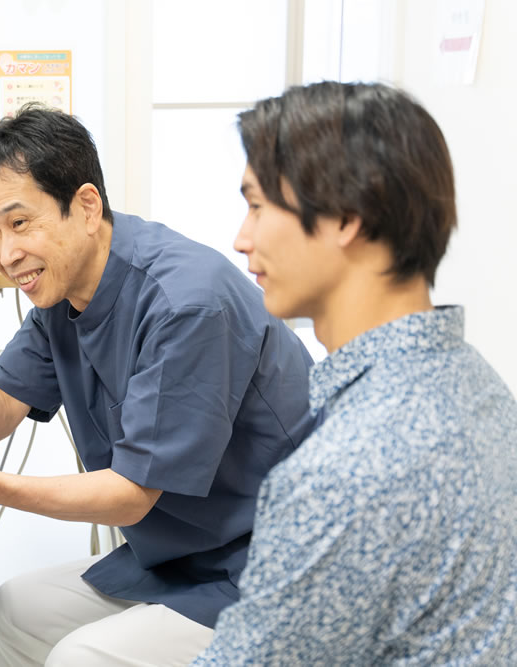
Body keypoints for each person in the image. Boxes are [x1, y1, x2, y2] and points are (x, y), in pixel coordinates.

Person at [0, 104, 316, 665]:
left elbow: (128, 497)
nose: (6, 255)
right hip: (181, 560)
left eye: (21, 223)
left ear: (87, 206)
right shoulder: (64, 289)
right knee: (18, 608)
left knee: (82, 656)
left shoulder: (184, 304)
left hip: (269, 572)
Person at [192, 82, 517, 664]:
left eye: (258, 205)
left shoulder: (341, 474)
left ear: (347, 215)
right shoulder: (481, 386)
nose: (242, 238)